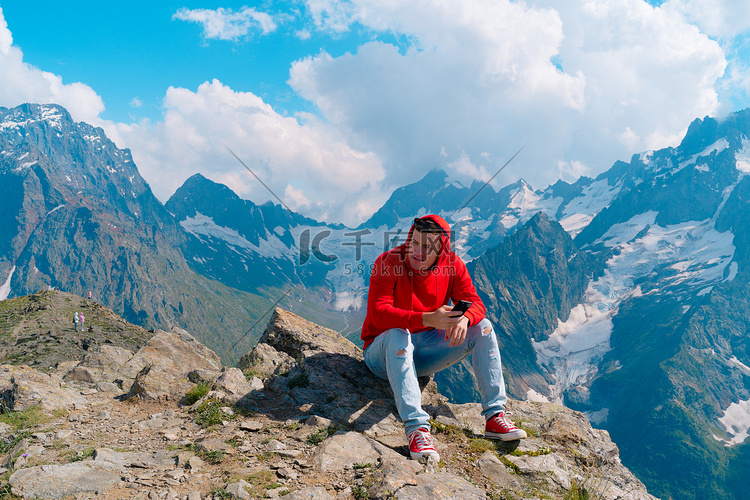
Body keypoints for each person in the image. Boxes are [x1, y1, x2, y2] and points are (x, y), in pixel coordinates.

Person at [361, 215, 526, 462]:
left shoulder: (452, 265)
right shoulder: (388, 262)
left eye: (427, 247)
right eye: (414, 242)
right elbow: (378, 315)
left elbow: (477, 304)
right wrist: (427, 319)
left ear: (442, 249)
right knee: (397, 332)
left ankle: (494, 417)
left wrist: (465, 319)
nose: (417, 251)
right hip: (382, 354)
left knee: (483, 327)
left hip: (422, 354)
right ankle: (416, 429)